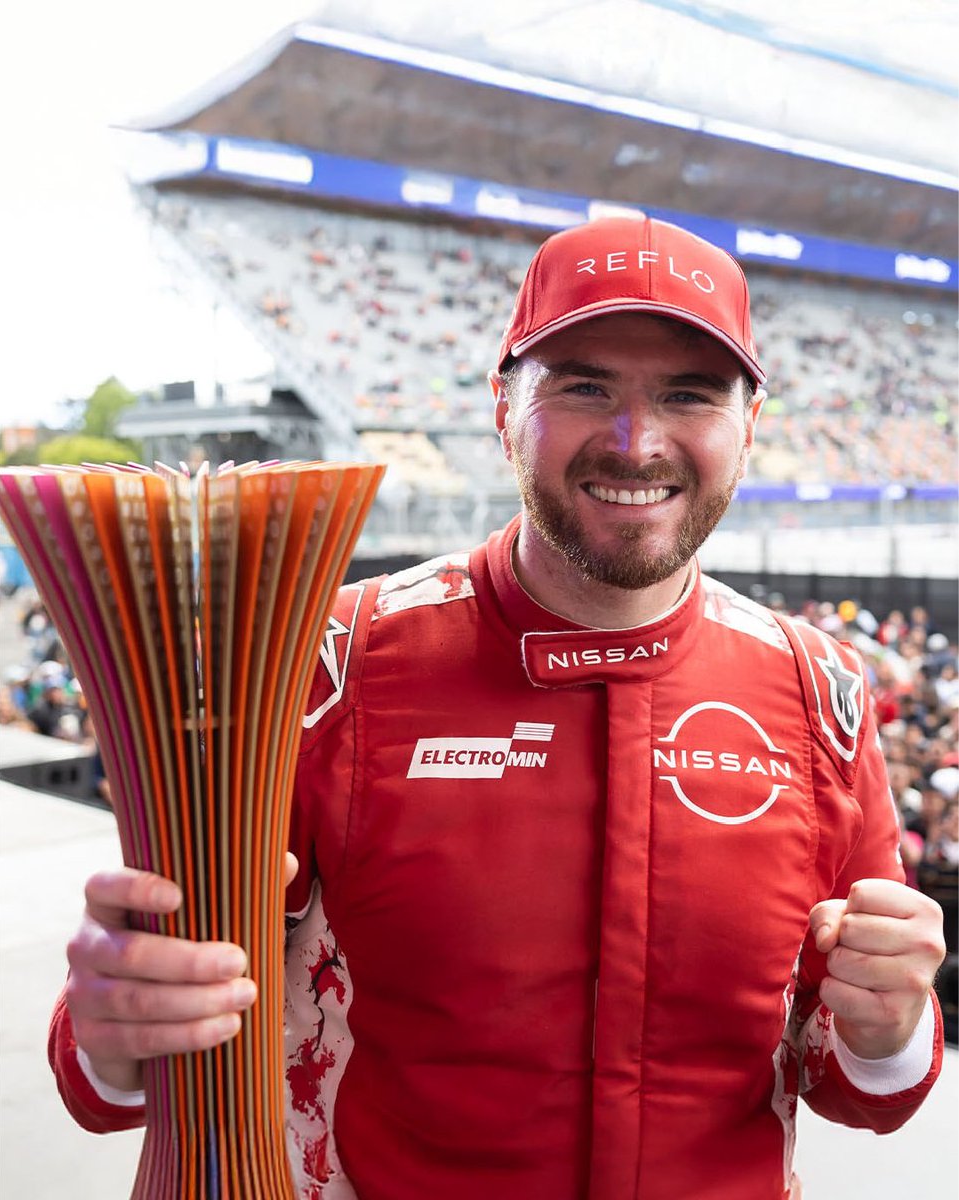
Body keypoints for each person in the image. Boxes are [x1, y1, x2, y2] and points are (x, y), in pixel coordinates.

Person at [49, 217, 945, 1200]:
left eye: (687, 394)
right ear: (501, 406)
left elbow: (856, 1087)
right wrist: (113, 1022)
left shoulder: (823, 692)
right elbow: (128, 1071)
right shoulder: (323, 664)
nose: (633, 442)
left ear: (750, 424)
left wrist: (890, 1031)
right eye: (583, 386)